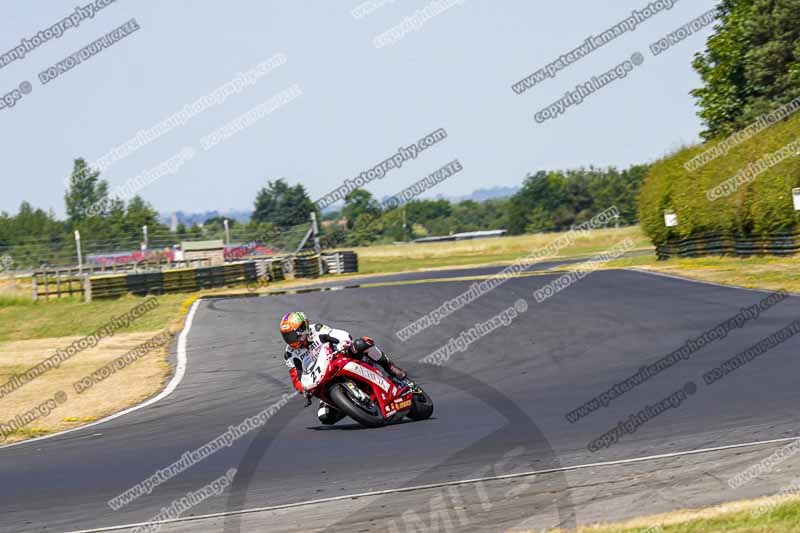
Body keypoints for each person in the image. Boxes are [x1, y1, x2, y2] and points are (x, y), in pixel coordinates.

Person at [279, 311, 407, 425]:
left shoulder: (317, 330)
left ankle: (389, 366)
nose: (290, 340)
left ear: (303, 327)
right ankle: (349, 403)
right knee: (325, 416)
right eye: (287, 336)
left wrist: (344, 343)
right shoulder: (289, 354)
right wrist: (303, 389)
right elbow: (296, 378)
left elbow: (340, 335)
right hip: (323, 379)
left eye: (292, 334)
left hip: (341, 358)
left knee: (361, 343)